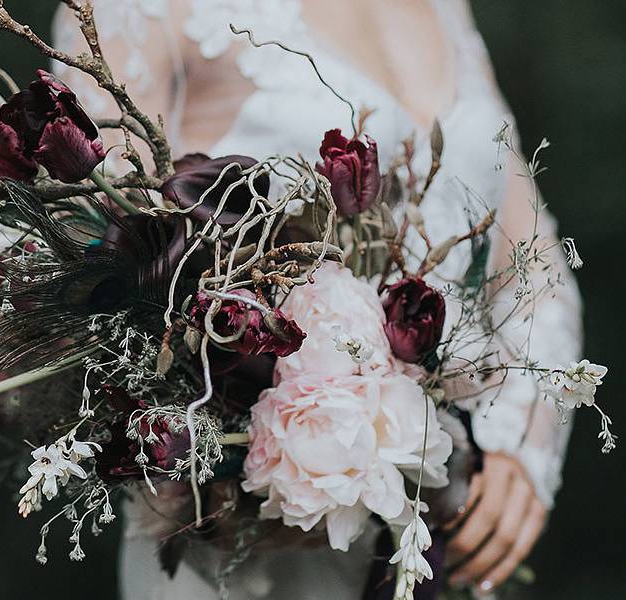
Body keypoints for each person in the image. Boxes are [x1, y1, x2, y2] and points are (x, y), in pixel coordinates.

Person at [53, 1, 581, 597]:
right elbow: (90, 256)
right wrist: (233, 443)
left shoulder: (444, 8)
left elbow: (536, 270)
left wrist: (519, 447)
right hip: (252, 535)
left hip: (447, 519)